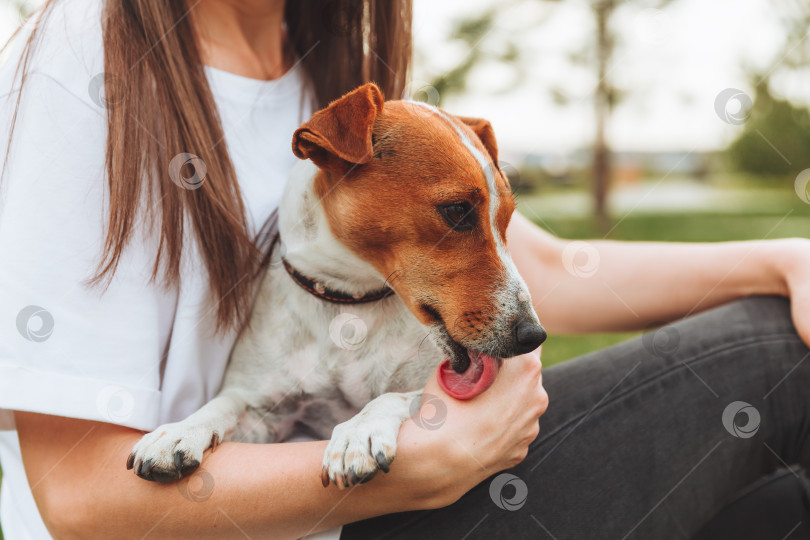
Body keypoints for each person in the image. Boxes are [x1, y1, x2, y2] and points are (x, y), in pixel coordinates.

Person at [1, 1, 809, 539]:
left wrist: (783, 256)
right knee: (778, 359)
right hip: (339, 508)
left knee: (771, 507)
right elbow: (77, 496)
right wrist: (415, 465)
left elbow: (545, 268)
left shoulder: (325, 55)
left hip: (401, 487)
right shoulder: (90, 57)